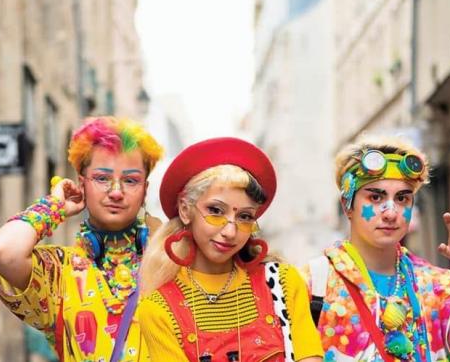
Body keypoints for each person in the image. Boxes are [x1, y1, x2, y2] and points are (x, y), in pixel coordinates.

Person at [304, 136, 450, 362]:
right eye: (375, 197)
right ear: (348, 205)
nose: (391, 212)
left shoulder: (438, 288)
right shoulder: (313, 284)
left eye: (402, 198)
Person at [0, 116, 163, 362]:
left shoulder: (169, 264)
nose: (116, 192)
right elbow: (2, 251)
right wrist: (54, 206)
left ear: (145, 190)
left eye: (131, 180)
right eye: (102, 178)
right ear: (82, 185)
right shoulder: (59, 272)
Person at [137, 137, 324, 362]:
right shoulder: (158, 310)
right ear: (185, 211)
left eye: (244, 216)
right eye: (216, 211)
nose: (230, 231)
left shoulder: (282, 283)